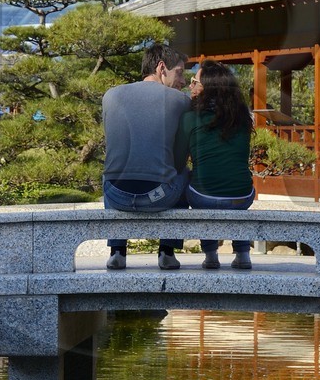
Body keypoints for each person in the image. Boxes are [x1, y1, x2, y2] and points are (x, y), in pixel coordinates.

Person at [102, 43, 190, 271]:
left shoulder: (110, 95)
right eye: (179, 73)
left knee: (110, 171)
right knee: (183, 172)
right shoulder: (180, 100)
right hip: (157, 197)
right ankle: (167, 252)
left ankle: (117, 252)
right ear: (162, 67)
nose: (182, 82)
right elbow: (180, 156)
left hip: (116, 195)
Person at [182, 61, 255, 270]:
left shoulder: (190, 118)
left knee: (193, 180)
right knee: (231, 192)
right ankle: (243, 254)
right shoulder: (242, 118)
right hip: (243, 197)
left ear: (207, 88)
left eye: (194, 81)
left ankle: (211, 254)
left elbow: (179, 160)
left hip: (203, 197)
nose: (190, 86)